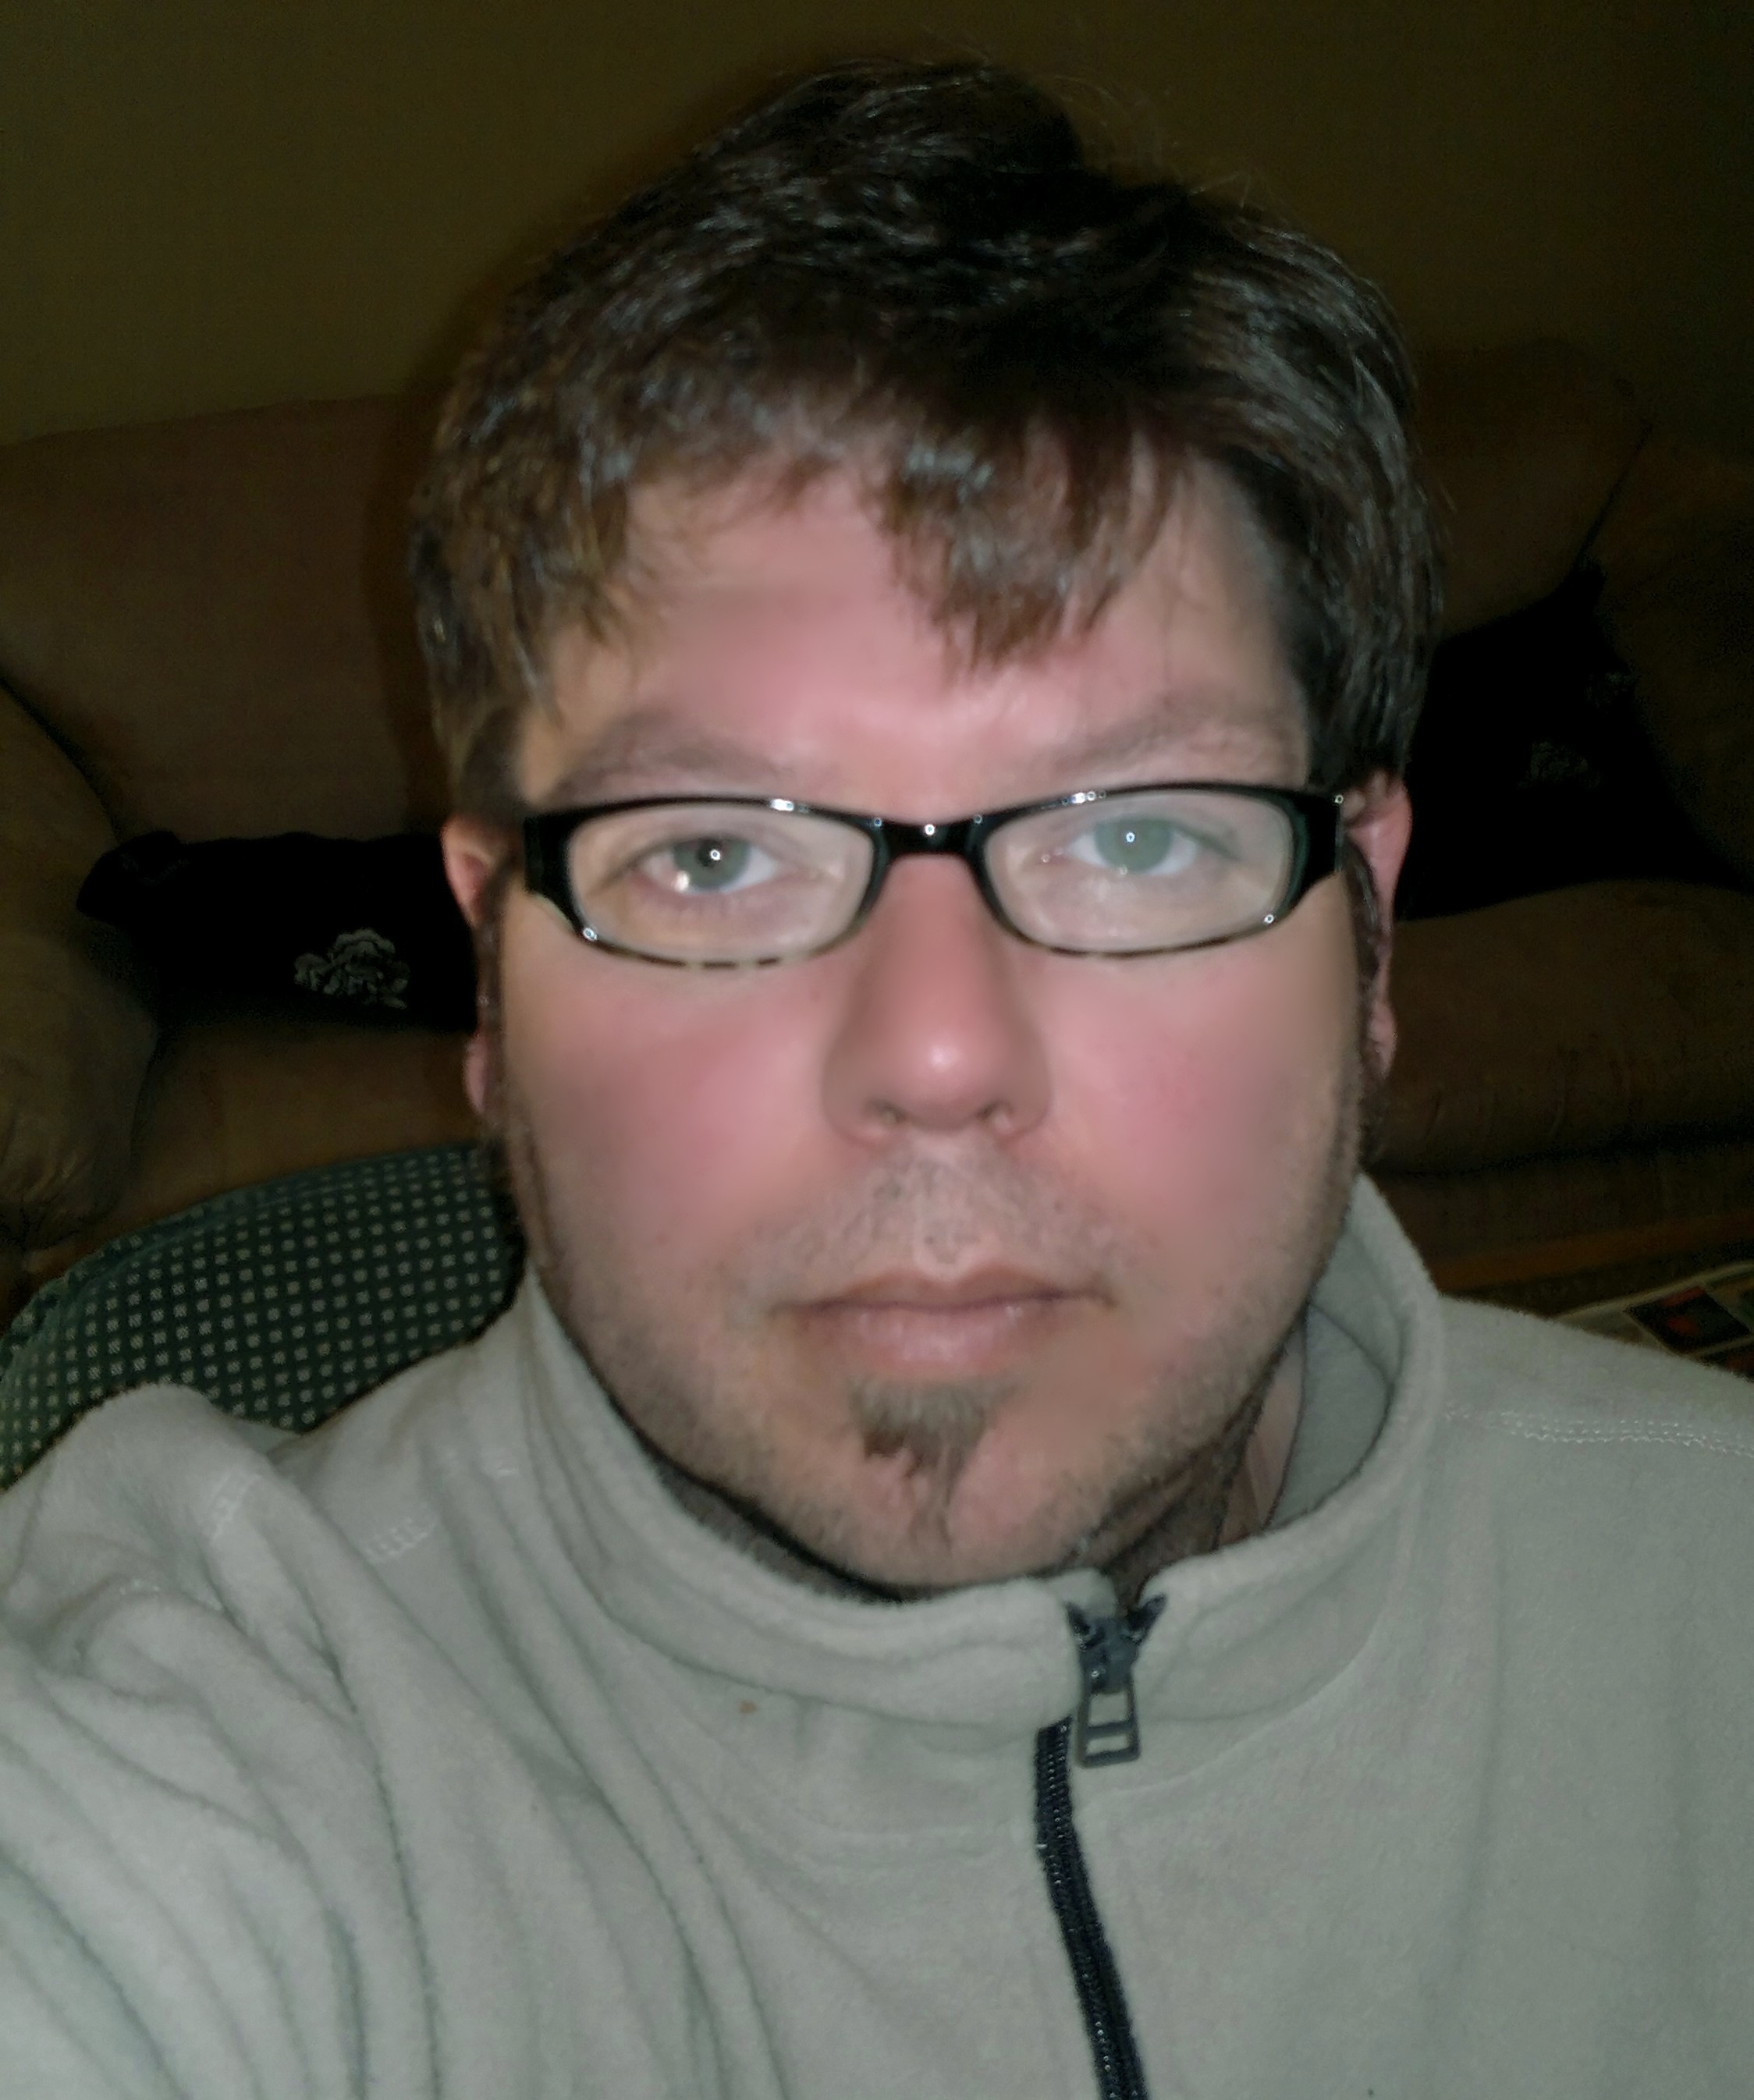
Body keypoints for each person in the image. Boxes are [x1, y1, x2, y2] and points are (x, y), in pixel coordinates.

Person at [2, 57, 1749, 2100]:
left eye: (1136, 834)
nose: (934, 1055)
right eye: (711, 857)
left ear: (1365, 930)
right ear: (491, 969)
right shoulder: (204, 1750)